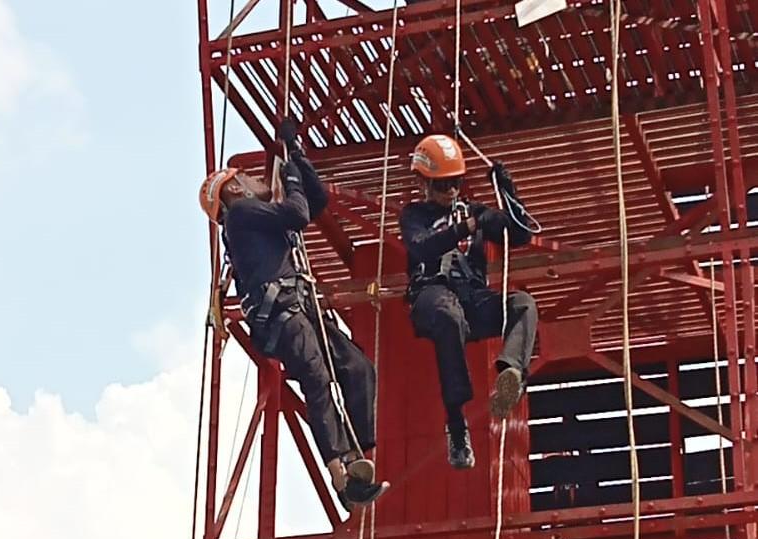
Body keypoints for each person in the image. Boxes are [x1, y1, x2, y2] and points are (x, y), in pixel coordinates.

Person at [198, 121, 388, 510]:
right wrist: (288, 175)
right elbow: (300, 214)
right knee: (318, 379)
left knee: (357, 366)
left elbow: (314, 202)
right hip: (283, 313)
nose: (253, 179)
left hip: (299, 304)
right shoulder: (241, 214)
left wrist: (296, 153)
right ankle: (339, 472)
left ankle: (362, 458)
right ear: (234, 190)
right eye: (247, 178)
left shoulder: (256, 216)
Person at [399, 134, 538, 469]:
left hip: (473, 299)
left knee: (523, 304)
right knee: (447, 317)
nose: (451, 191)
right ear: (424, 182)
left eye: (456, 183)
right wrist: (465, 228)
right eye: (444, 185)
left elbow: (519, 233)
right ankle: (457, 426)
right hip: (431, 296)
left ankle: (511, 375)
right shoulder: (413, 216)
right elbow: (422, 247)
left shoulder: (474, 212)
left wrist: (508, 193)